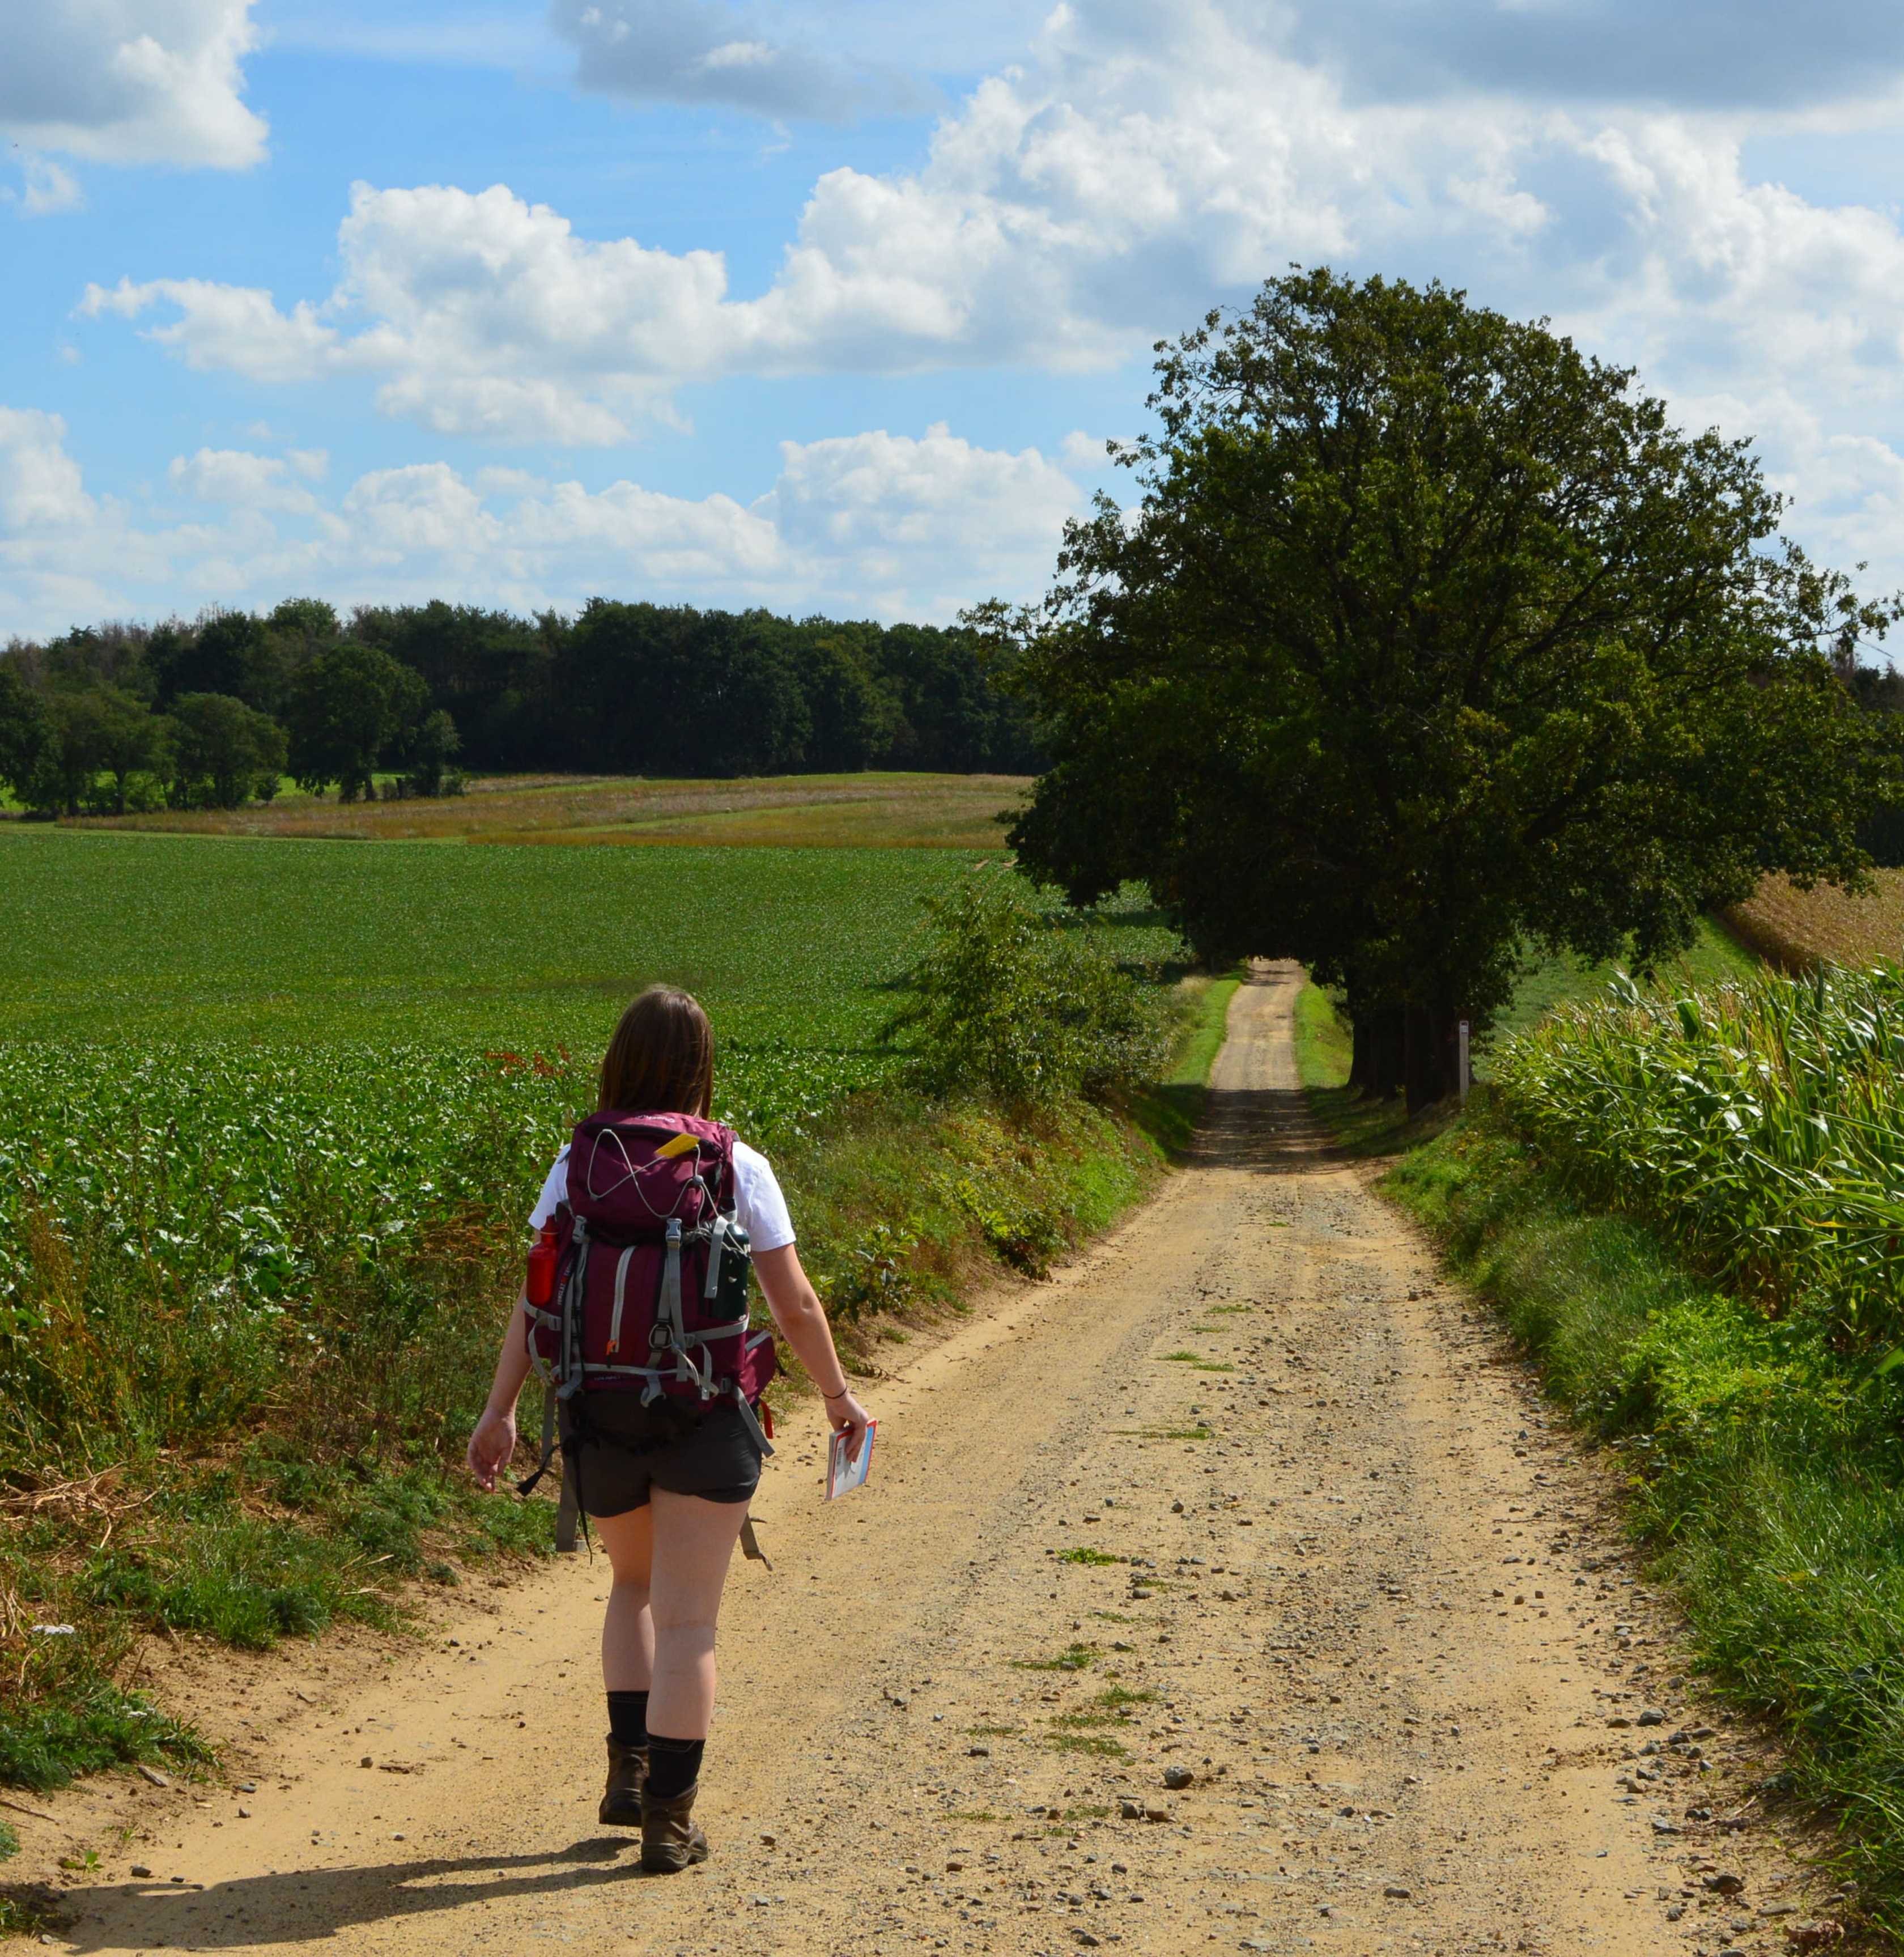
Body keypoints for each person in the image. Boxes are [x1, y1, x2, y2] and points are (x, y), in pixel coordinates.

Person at [466, 986, 872, 1873]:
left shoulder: (578, 1166)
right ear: (701, 1067)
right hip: (702, 1414)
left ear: (620, 1059)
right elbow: (793, 1304)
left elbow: (533, 1297)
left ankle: (627, 1774)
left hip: (597, 1413)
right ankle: (668, 1822)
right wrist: (839, 1397)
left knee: (631, 1588)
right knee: (691, 1623)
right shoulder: (733, 1163)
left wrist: (499, 1412)